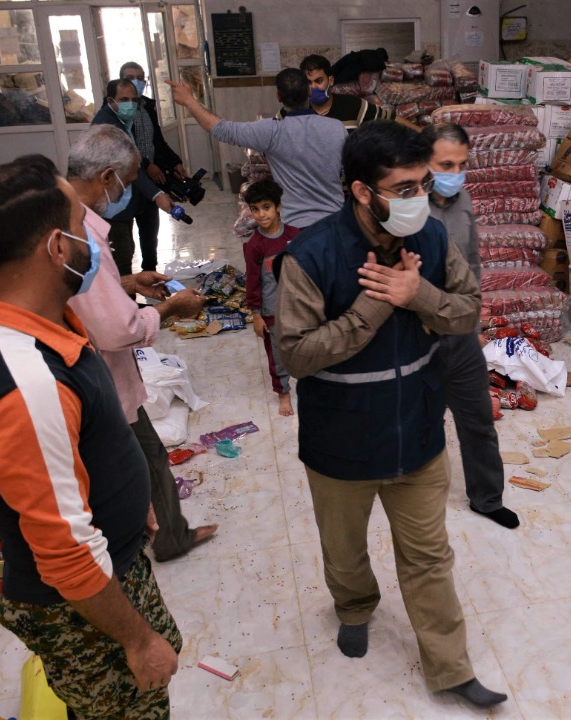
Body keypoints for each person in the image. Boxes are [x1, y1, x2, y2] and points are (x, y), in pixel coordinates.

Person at [276, 121, 506, 708]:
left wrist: (419, 295)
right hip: (340, 442)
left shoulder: (430, 239)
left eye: (423, 184)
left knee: (430, 557)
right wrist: (376, 308)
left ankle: (451, 667)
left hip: (418, 433)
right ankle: (354, 607)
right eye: (403, 189)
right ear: (361, 191)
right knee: (346, 552)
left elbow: (467, 310)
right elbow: (296, 355)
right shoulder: (311, 255)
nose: (419, 200)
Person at [0, 157, 181, 718]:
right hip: (81, 608)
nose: (92, 244)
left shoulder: (16, 312)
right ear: (57, 248)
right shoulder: (27, 383)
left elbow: (82, 445)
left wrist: (131, 507)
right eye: (82, 231)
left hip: (115, 559)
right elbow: (66, 554)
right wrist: (137, 640)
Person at [64, 126, 218, 562]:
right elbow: (116, 330)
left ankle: (165, 532)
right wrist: (170, 309)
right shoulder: (82, 234)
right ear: (107, 176)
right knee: (146, 459)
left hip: (91, 373)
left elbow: (83, 292)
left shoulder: (62, 215)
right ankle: (164, 537)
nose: (126, 192)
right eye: (128, 183)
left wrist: (126, 282)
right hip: (101, 378)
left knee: (138, 459)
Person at [422, 122, 518, 530]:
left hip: (459, 333)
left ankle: (486, 497)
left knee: (478, 418)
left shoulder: (463, 201)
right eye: (446, 164)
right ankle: (409, 496)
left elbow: (474, 263)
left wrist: (474, 319)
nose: (454, 173)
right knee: (417, 421)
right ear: (426, 161)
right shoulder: (407, 207)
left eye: (461, 164)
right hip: (418, 334)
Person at [169, 68, 346, 230]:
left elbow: (221, 129)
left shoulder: (271, 131)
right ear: (309, 91)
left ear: (278, 96)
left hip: (295, 229)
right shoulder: (337, 128)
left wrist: (189, 101)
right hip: (336, 224)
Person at [92, 79, 174, 277]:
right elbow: (130, 166)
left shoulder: (122, 121)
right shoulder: (107, 127)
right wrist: (157, 195)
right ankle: (126, 304)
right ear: (111, 101)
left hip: (122, 202)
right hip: (110, 206)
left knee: (127, 250)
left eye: (134, 100)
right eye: (124, 99)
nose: (130, 104)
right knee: (121, 260)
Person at [120, 62, 188, 271]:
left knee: (150, 231)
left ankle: (150, 272)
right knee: (124, 239)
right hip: (127, 182)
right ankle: (127, 281)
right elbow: (126, 145)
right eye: (131, 77)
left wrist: (174, 161)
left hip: (150, 182)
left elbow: (156, 141)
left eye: (141, 78)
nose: (137, 82)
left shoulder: (148, 106)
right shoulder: (118, 110)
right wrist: (147, 165)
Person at [241, 179, 299, 417]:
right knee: (276, 355)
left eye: (266, 207)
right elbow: (253, 282)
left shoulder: (296, 236)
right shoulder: (255, 245)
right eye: (255, 209)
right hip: (272, 312)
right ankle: (283, 392)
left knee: (307, 347)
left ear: (278, 207)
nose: (261, 214)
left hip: (299, 308)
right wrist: (256, 314)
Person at [299, 54, 393, 130]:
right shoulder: (298, 112)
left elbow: (391, 119)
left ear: (330, 81)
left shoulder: (352, 105)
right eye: (308, 82)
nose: (313, 87)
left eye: (319, 81)